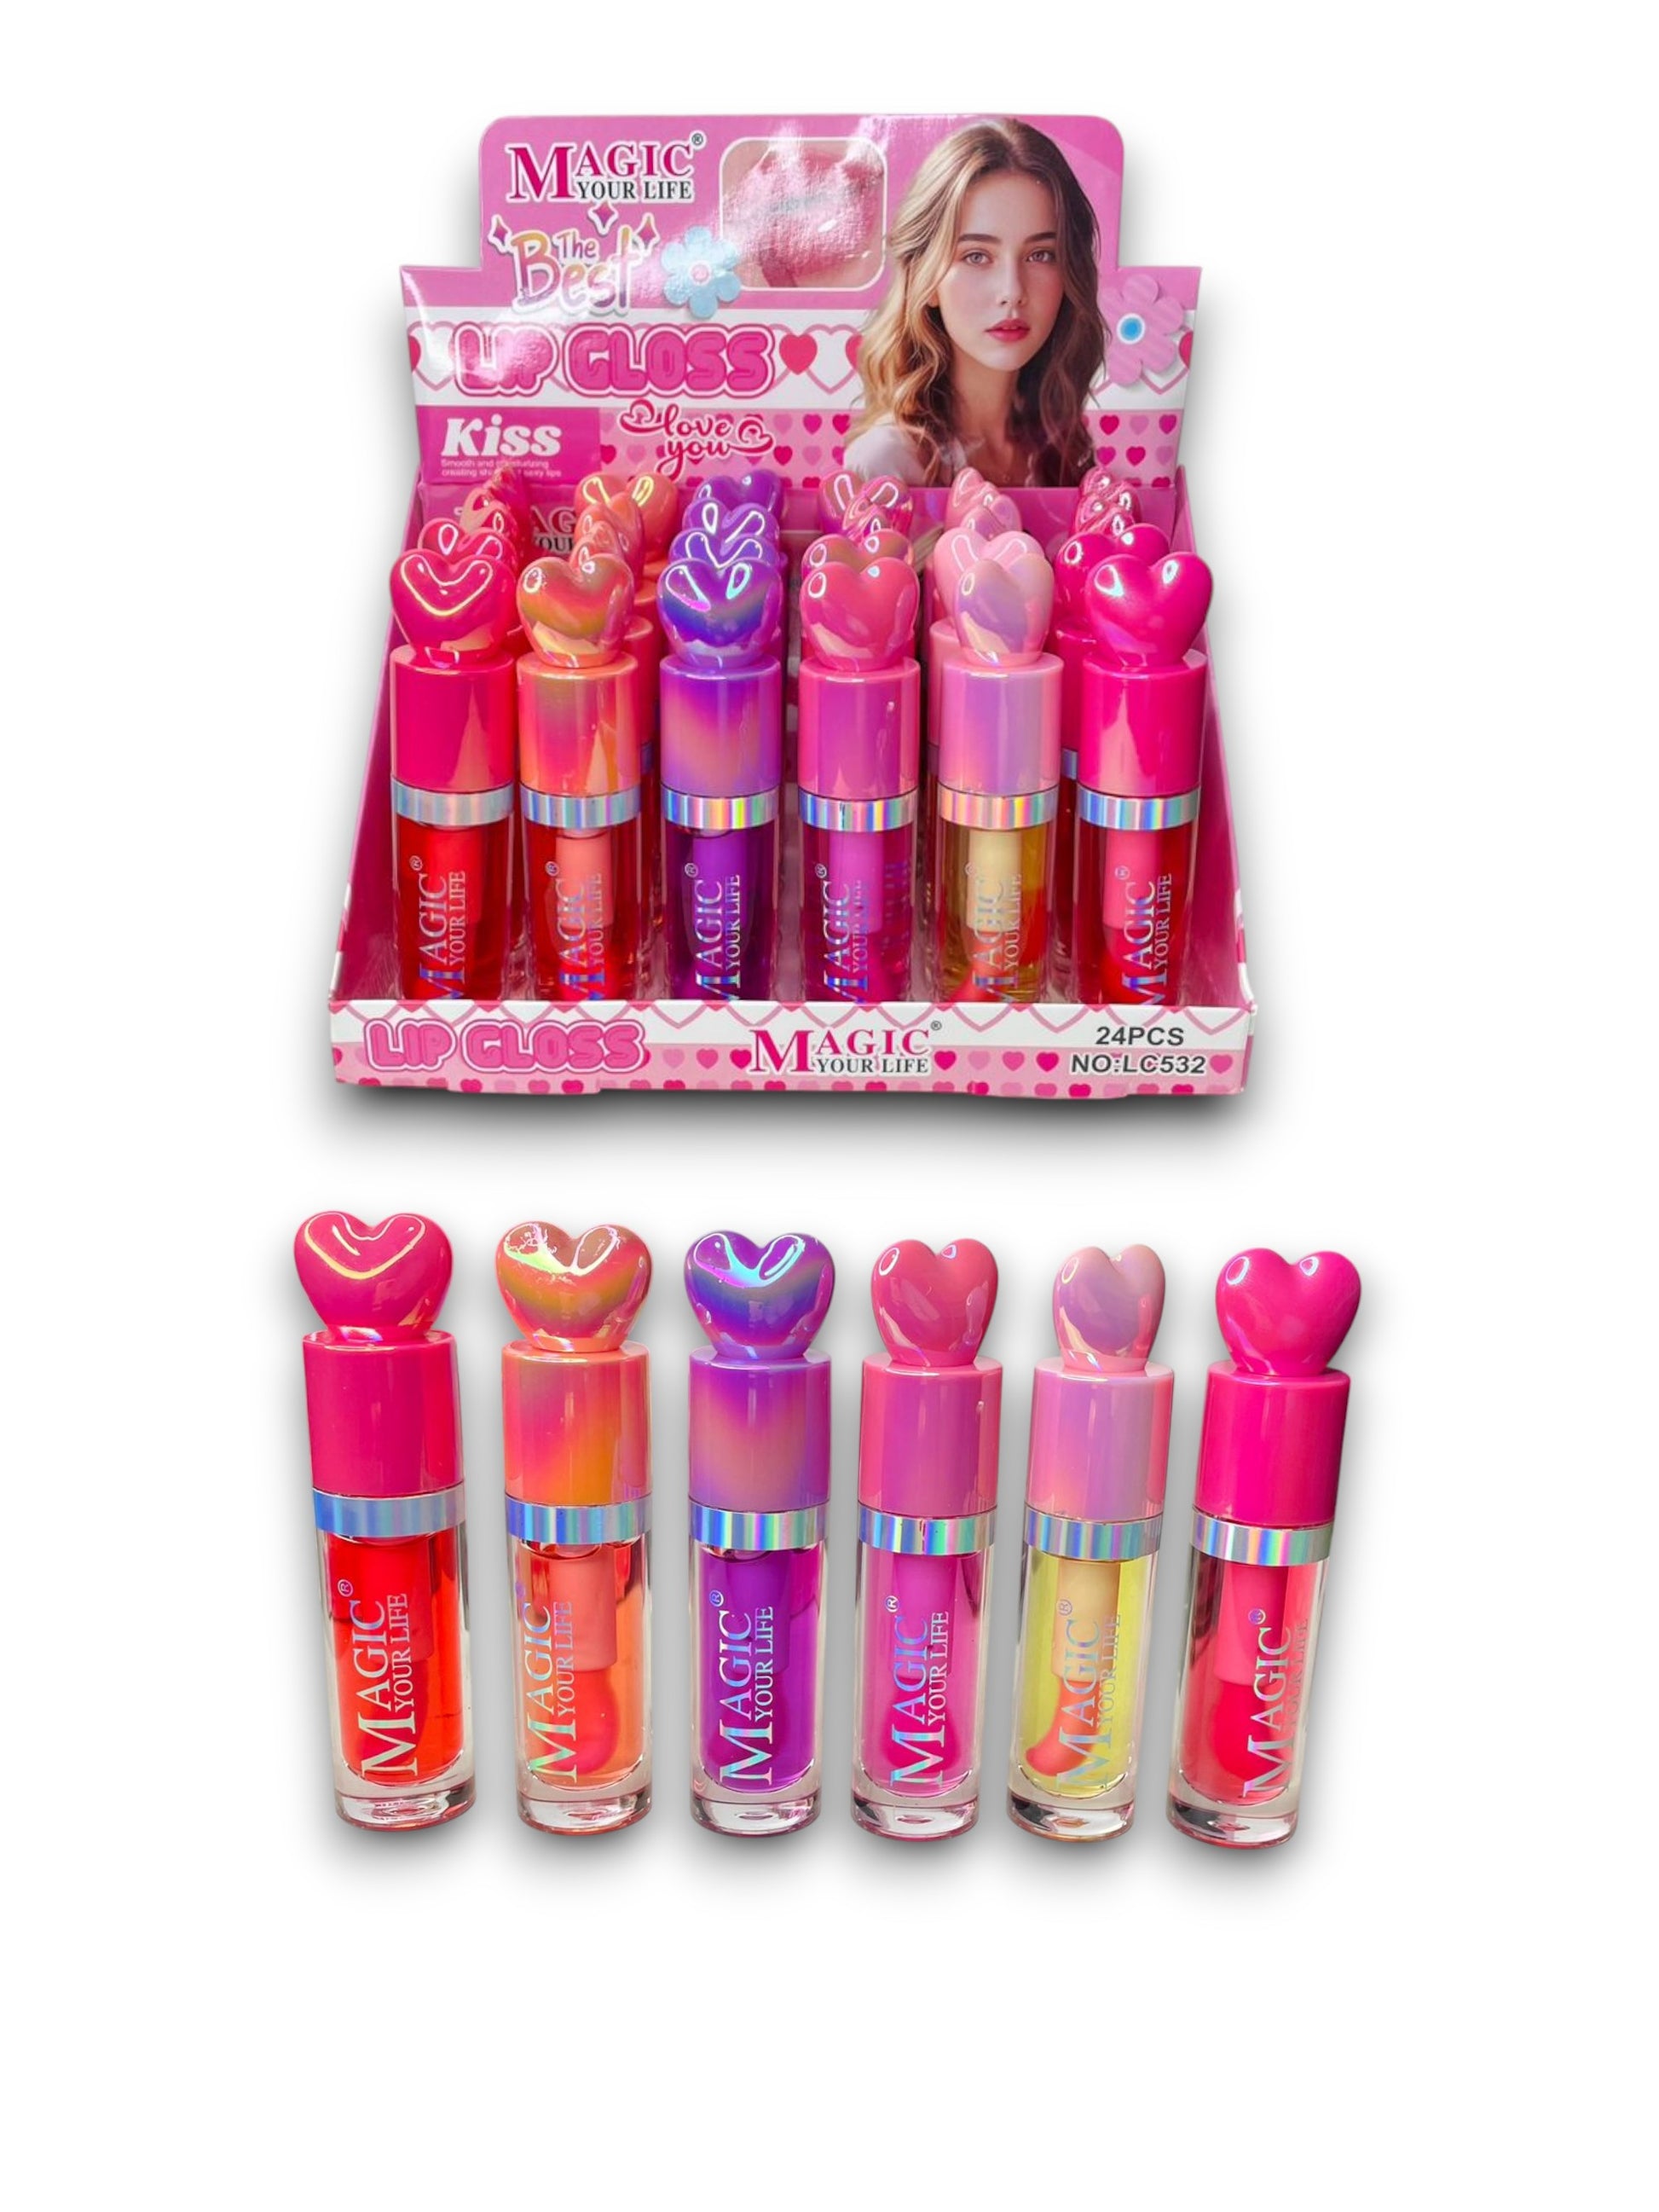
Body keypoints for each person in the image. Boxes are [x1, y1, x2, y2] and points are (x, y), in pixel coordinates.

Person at [846, 118, 1104, 489]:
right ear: (924, 278)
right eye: (977, 256)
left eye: (1041, 255)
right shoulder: (890, 462)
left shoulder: (1062, 450)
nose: (1012, 290)